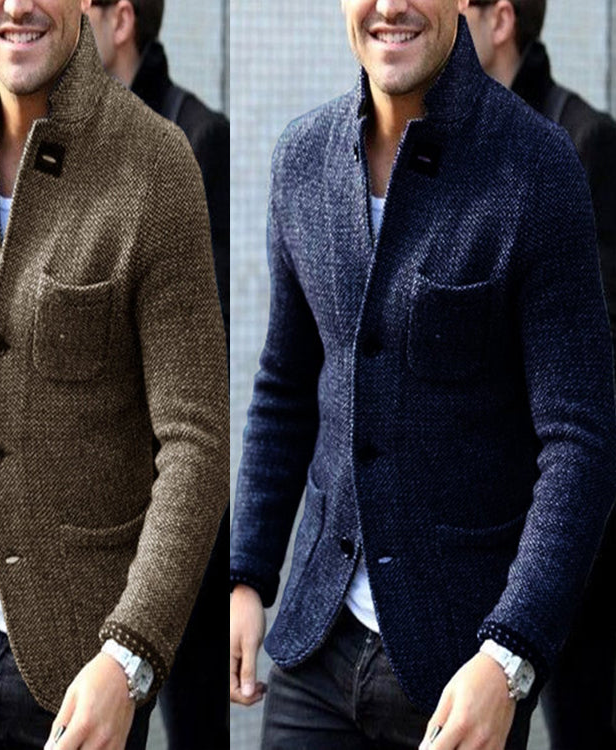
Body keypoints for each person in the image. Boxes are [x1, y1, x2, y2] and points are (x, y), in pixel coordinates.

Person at [229, 0, 616, 748]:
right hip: (315, 648)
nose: (390, 7)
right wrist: (248, 573)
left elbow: (581, 441)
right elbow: (284, 388)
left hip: (463, 660)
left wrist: (509, 655)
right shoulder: (301, 158)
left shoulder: (539, 167)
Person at [0, 1, 228, 749]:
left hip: (88, 661)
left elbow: (196, 442)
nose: (18, 6)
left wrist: (129, 655)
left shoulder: (159, 166)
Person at [464, 2, 616, 747]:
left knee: (579, 720)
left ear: (501, 21)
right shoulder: (458, 139)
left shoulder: (582, 139)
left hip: (564, 513)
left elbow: (597, 347)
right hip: (481, 517)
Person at [85, 2, 229, 748]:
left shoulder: (196, 138)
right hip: (98, 515)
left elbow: (202, 347)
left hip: (177, 499)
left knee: (196, 721)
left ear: (121, 21)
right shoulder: (74, 137)